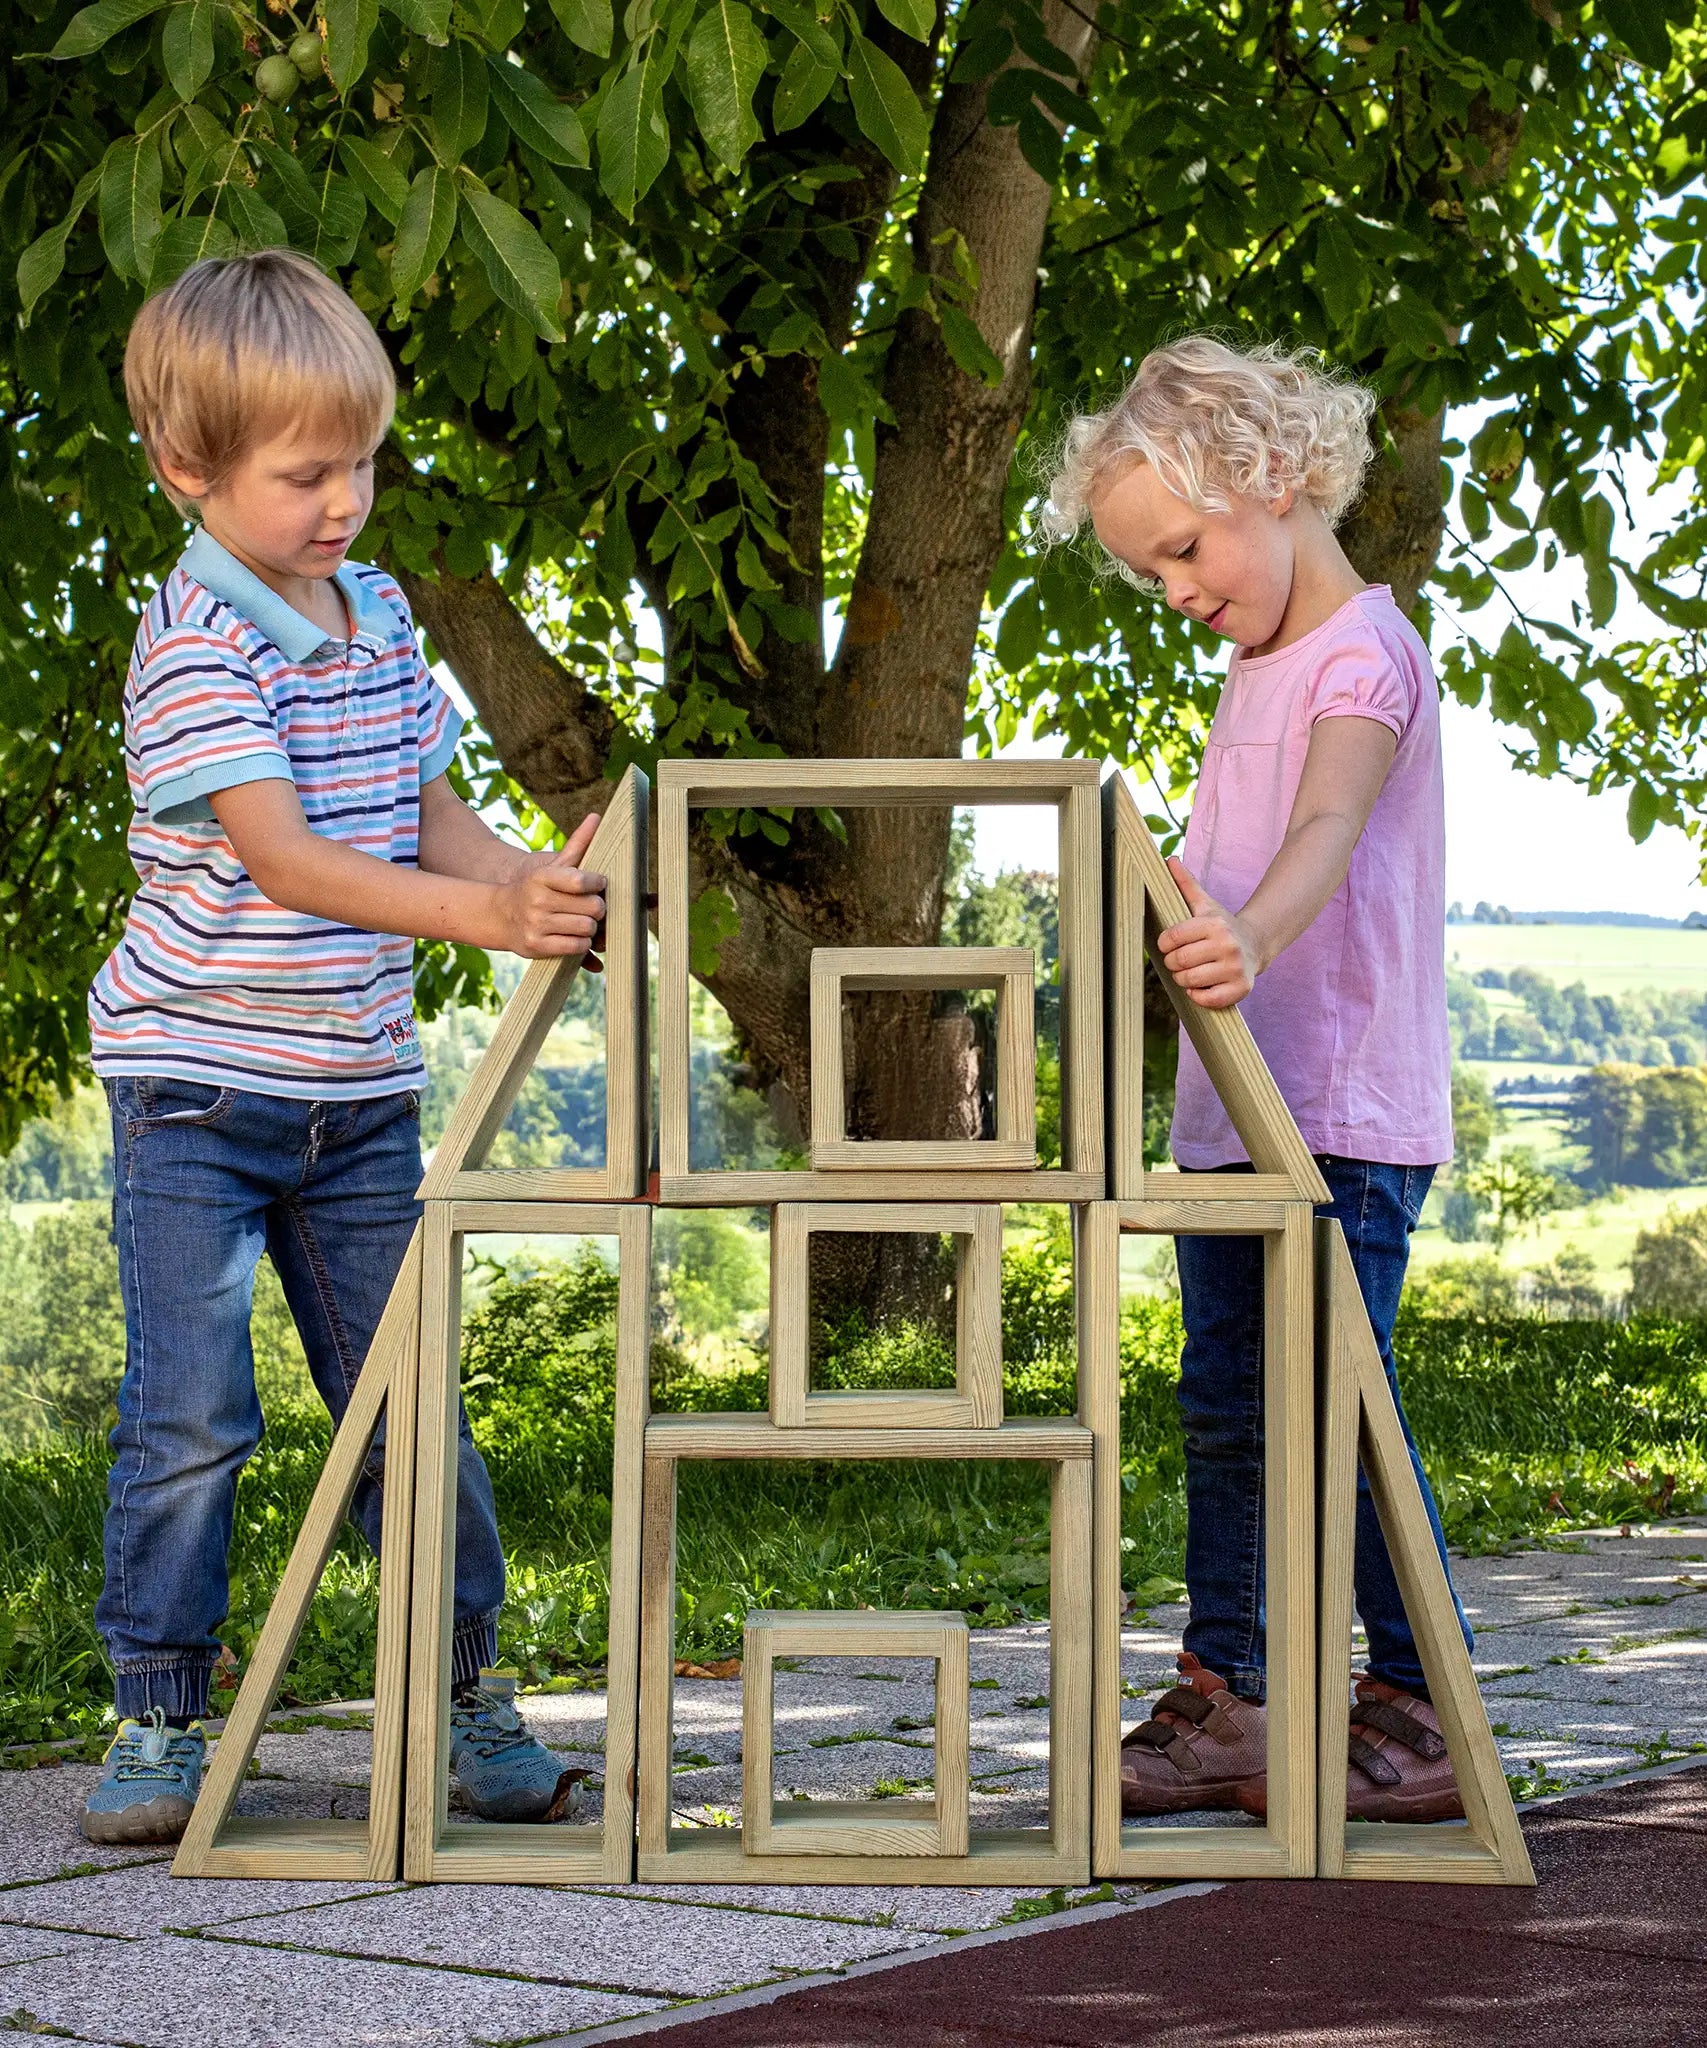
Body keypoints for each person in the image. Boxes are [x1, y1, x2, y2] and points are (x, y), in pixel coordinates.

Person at [81, 249, 606, 1844]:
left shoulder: (376, 613)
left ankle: (460, 1702)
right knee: (195, 1416)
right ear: (187, 474)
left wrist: (518, 876)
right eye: (303, 474)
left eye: (360, 463)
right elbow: (292, 859)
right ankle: (161, 1715)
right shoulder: (193, 647)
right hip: (195, 1092)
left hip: (359, 1098)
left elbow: (417, 808)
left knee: (413, 1408)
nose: (343, 503)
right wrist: (483, 926)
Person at [1043, 334, 1471, 1824]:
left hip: (1340, 1118)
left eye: (1181, 549)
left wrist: (1246, 932)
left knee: (1334, 1408)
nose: (1176, 590)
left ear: (1275, 479)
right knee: (1228, 1404)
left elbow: (1330, 828)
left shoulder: (1363, 655)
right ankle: (1240, 1691)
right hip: (1244, 1115)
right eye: (1149, 572)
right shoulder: (1261, 657)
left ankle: (1419, 1695)